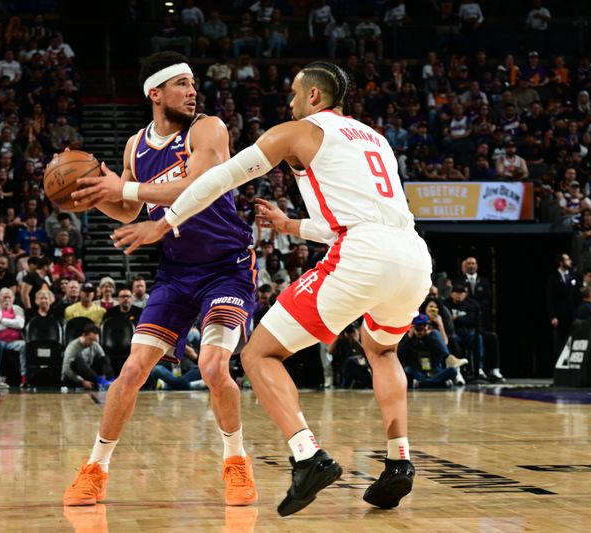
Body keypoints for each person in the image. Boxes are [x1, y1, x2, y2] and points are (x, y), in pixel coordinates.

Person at [111, 61, 431, 516]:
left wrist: (165, 222)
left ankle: (307, 455)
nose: (290, 103)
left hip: (363, 254)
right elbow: (358, 217)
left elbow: (219, 178)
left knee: (257, 355)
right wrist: (289, 225)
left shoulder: (296, 132)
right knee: (382, 352)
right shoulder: (374, 138)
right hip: (413, 256)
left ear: (315, 98)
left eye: (296, 94)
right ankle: (399, 461)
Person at [62, 52, 258, 508]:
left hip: (226, 266)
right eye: (181, 84)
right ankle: (95, 469)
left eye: (193, 84)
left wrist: (124, 188)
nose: (192, 91)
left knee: (211, 365)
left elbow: (199, 182)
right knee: (131, 370)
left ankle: (236, 461)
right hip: (175, 272)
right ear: (156, 93)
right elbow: (128, 209)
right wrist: (92, 193)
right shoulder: (135, 146)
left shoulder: (207, 129)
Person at [61, 324, 113, 390]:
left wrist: (106, 374)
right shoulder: (72, 347)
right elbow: (66, 370)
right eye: (91, 339)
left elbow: (104, 360)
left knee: (104, 359)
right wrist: (82, 381)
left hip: (88, 375)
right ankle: (99, 380)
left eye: (95, 340)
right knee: (78, 359)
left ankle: (111, 381)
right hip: (73, 378)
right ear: (83, 335)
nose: (93, 342)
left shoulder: (94, 344)